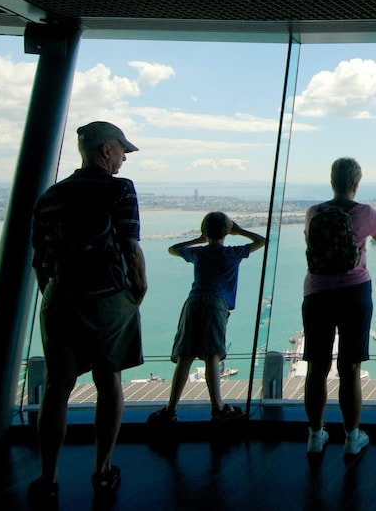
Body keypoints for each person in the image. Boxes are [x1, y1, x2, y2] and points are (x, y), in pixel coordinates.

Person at [27, 121, 147, 506]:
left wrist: (54, 295)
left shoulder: (51, 195)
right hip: (106, 297)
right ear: (105, 150)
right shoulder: (118, 189)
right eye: (122, 149)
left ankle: (48, 478)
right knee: (108, 380)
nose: (125, 157)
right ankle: (103, 469)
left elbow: (40, 261)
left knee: (58, 387)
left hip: (61, 298)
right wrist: (136, 290)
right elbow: (130, 247)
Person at [302, 157, 376, 458]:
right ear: (356, 183)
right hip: (354, 292)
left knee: (317, 367)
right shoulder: (365, 213)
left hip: (317, 292)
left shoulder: (314, 212)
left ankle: (315, 436)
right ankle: (352, 437)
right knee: (350, 368)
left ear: (332, 181)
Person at [147, 212, 266, 425]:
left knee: (185, 357)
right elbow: (261, 241)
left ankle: (171, 409)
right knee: (212, 356)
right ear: (227, 232)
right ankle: (218, 409)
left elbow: (172, 249)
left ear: (205, 232)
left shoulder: (199, 254)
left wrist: (198, 239)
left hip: (193, 303)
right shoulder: (233, 253)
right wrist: (239, 231)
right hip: (216, 304)